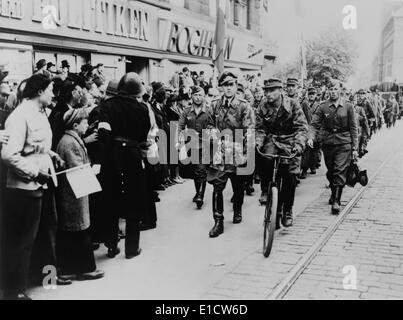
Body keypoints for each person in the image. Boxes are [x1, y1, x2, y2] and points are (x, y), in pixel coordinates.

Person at [1, 74, 63, 300]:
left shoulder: (39, 113)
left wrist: (52, 153)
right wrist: (34, 172)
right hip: (26, 187)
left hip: (44, 182)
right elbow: (9, 155)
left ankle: (49, 279)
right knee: (23, 241)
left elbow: (37, 146)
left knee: (48, 232)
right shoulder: (19, 116)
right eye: (50, 90)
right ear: (39, 92)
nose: (53, 94)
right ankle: (14, 291)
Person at [97, 72, 151, 259]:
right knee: (133, 201)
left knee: (110, 199)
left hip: (112, 156)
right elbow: (143, 138)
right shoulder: (142, 109)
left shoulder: (106, 106)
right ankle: (132, 248)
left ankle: (112, 245)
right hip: (133, 156)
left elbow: (103, 134)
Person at [55, 108, 104, 281]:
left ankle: (71, 268)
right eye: (84, 123)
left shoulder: (70, 139)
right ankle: (85, 269)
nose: (87, 126)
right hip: (73, 194)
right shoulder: (70, 143)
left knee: (75, 231)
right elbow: (77, 170)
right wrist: (92, 171)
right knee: (80, 230)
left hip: (72, 193)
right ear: (76, 125)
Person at [207, 71, 255, 238]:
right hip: (220, 151)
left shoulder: (243, 106)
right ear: (221, 87)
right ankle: (218, 221)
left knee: (238, 185)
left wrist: (247, 152)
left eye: (231, 85)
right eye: (225, 85)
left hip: (237, 151)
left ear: (236, 86)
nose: (228, 88)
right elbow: (209, 124)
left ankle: (237, 210)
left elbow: (249, 130)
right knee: (217, 186)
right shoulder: (214, 105)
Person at [256, 78, 308, 228]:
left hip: (291, 141)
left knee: (291, 176)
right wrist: (259, 141)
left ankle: (287, 210)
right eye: (266, 90)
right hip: (272, 140)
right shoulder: (262, 105)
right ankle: (266, 189)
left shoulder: (293, 104)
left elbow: (301, 128)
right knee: (262, 156)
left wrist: (298, 145)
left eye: (272, 90)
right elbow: (259, 128)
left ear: (280, 90)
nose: (268, 93)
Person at [308, 80, 358, 215]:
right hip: (328, 143)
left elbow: (354, 127)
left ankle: (336, 200)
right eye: (330, 89)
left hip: (344, 143)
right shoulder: (323, 107)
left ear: (340, 90)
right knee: (331, 171)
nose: (333, 92)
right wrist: (311, 137)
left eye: (335, 89)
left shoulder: (348, 106)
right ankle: (333, 190)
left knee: (339, 171)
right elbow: (314, 124)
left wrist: (355, 147)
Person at [178, 86, 211, 209]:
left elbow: (215, 126)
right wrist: (179, 142)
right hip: (191, 145)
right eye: (195, 95)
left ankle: (200, 196)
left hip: (205, 145)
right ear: (192, 96)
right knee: (194, 171)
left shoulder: (209, 110)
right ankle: (198, 192)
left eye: (200, 95)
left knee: (201, 170)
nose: (198, 98)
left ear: (204, 97)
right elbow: (180, 127)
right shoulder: (186, 111)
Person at [300, 87, 320, 179]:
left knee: (314, 150)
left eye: (313, 94)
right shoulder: (304, 104)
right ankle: (304, 169)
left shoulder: (318, 105)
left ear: (315, 95)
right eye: (310, 94)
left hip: (315, 129)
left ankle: (312, 166)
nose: (311, 96)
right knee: (306, 150)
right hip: (306, 128)